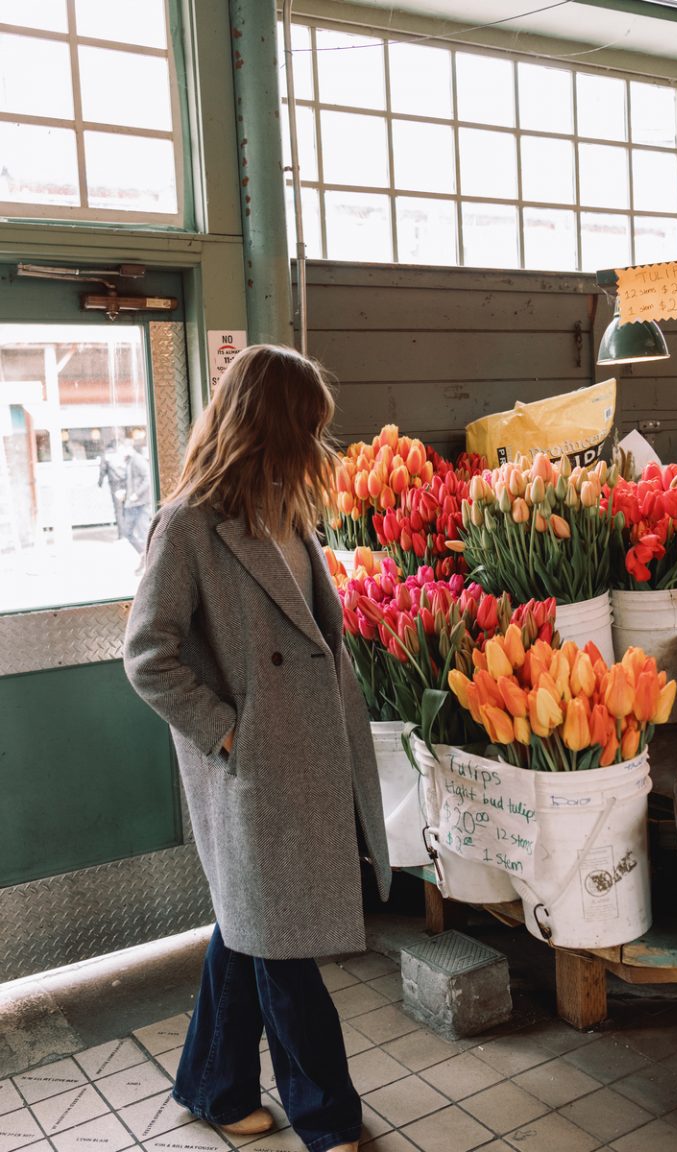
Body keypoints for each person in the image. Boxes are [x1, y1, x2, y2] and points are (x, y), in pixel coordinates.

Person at [123, 344, 391, 1152]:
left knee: (250, 928)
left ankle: (213, 1083)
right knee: (281, 944)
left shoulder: (283, 512)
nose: (320, 443)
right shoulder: (191, 525)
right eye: (309, 425)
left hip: (302, 760)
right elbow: (146, 654)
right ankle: (328, 1116)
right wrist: (227, 731)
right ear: (271, 424)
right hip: (256, 772)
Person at [122, 439, 152, 570]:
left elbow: (148, 478)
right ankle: (143, 555)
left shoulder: (137, 460)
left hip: (140, 503)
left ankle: (147, 560)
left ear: (128, 447)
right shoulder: (129, 460)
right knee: (128, 532)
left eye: (122, 448)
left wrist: (136, 494)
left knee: (142, 532)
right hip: (133, 503)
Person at [96, 440, 127, 539]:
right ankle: (129, 533)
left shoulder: (106, 455)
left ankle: (122, 535)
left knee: (118, 510)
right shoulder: (122, 453)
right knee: (126, 508)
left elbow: (102, 469)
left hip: (115, 485)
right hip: (126, 483)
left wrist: (100, 482)